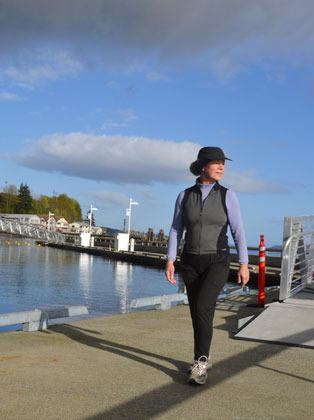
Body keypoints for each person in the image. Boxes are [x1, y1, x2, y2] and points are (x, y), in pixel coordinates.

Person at [165, 146, 250, 385]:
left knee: (202, 307)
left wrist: (244, 263)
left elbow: (238, 231)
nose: (221, 166)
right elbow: (175, 229)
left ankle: (200, 362)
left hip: (218, 260)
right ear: (203, 165)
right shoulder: (185, 195)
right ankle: (206, 355)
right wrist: (170, 259)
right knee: (198, 312)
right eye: (216, 162)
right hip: (190, 261)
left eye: (223, 162)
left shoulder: (227, 195)